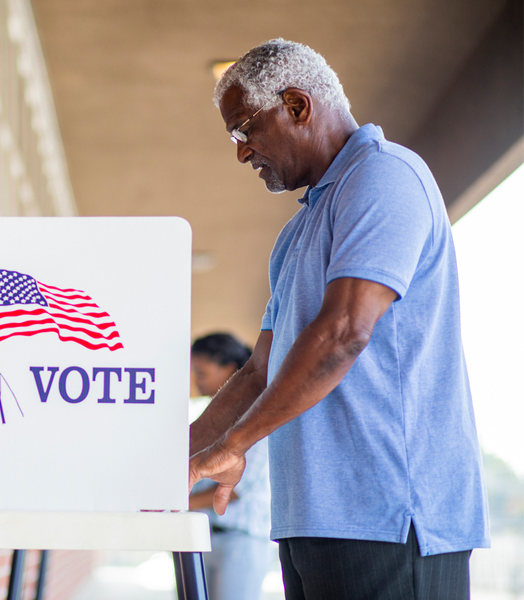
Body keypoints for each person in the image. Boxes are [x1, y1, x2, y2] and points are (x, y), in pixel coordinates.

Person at [188, 39, 489, 600]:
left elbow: (344, 333)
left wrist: (236, 444)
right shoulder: (297, 232)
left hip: (391, 518)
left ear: (298, 106)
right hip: (312, 518)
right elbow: (258, 373)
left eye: (244, 130)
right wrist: (176, 458)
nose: (241, 152)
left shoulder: (384, 177)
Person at [189, 333, 271, 600]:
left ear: (228, 369)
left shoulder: (254, 416)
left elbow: (236, 488)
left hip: (240, 540)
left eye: (202, 372)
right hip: (204, 536)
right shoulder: (209, 416)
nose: (196, 380)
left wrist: (177, 502)